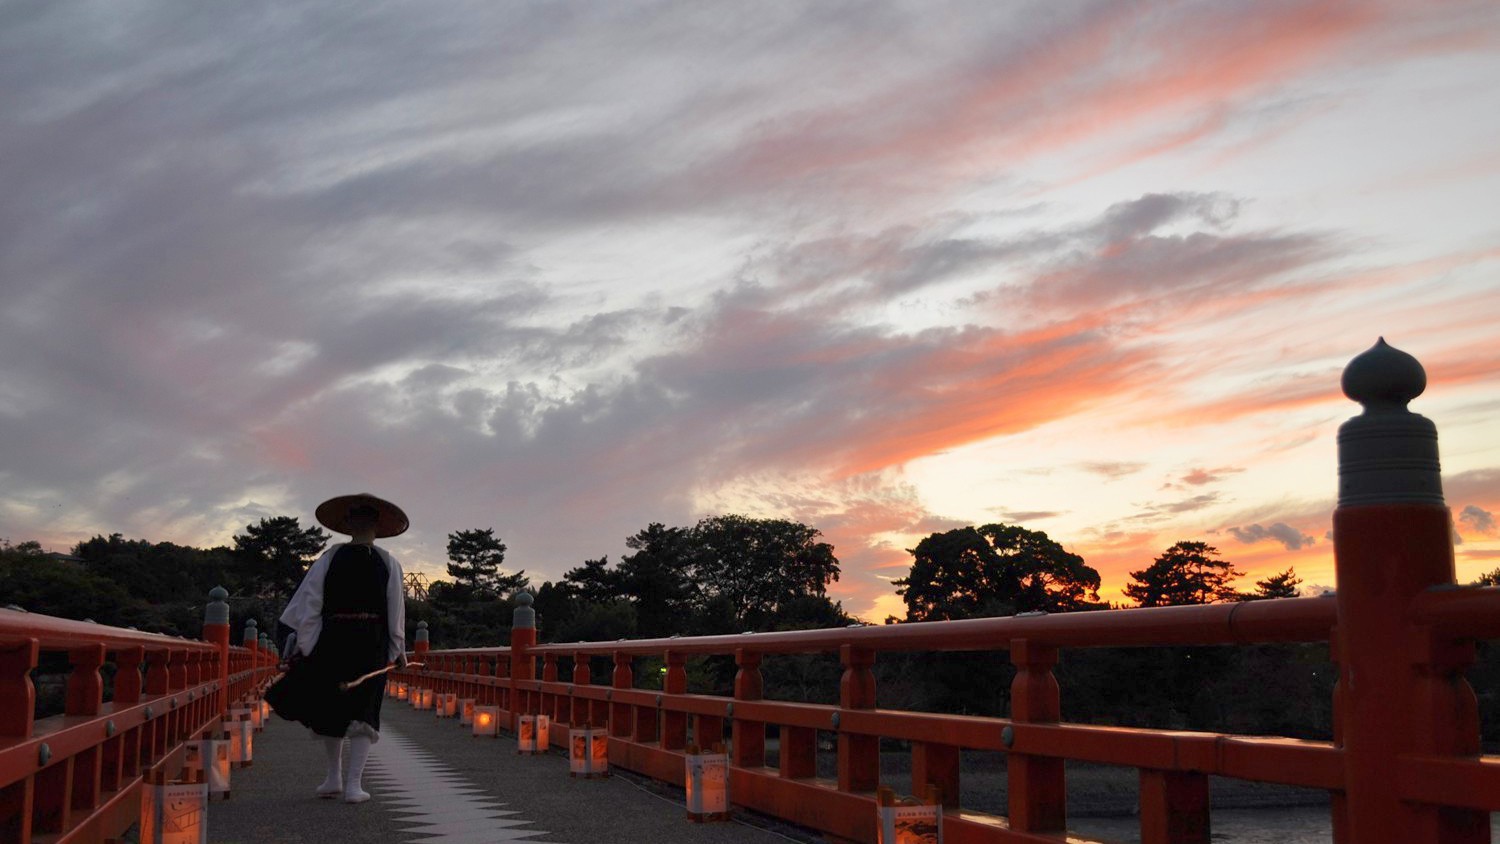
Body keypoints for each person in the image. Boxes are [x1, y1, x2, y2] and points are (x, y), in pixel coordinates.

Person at [268, 493, 408, 803]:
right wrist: (309, 643)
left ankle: (354, 783)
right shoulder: (329, 558)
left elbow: (394, 610)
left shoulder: (388, 562)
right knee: (331, 707)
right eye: (357, 516)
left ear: (376, 522)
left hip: (372, 641)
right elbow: (311, 602)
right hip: (332, 639)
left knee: (364, 709)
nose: (361, 521)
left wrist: (397, 647)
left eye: (366, 516)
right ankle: (333, 777)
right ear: (348, 522)